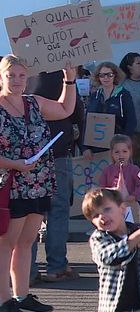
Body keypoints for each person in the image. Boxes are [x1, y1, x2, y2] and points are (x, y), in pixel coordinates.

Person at [0, 55, 76, 312]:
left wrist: (70, 79)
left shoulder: (33, 102)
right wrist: (16, 164)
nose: (17, 80)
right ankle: (4, 300)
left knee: (26, 242)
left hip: (38, 181)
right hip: (9, 184)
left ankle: (22, 296)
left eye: (22, 75)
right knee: (6, 244)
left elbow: (66, 109)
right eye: (11, 75)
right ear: (2, 77)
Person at [26, 70, 85, 285]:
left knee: (30, 211)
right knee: (57, 210)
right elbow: (75, 109)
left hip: (28, 154)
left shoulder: (23, 74)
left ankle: (27, 269)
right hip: (57, 147)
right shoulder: (62, 72)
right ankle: (56, 266)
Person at [83, 189, 140, 312]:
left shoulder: (139, 230)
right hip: (115, 307)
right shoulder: (99, 238)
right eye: (95, 215)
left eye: (107, 209)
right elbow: (109, 258)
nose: (102, 217)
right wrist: (136, 238)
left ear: (122, 208)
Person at [84, 62, 137, 156]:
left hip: (117, 147)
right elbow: (87, 122)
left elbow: (131, 122)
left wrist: (122, 144)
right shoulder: (94, 96)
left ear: (115, 76)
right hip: (96, 149)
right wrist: (85, 148)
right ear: (98, 77)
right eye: (102, 75)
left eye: (109, 75)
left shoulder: (124, 95)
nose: (106, 78)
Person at [99, 135, 140, 223]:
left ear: (130, 152)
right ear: (112, 154)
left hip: (129, 205)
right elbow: (102, 187)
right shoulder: (108, 170)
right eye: (117, 152)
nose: (121, 155)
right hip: (112, 206)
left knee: (131, 229)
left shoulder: (134, 169)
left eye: (124, 151)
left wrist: (134, 196)